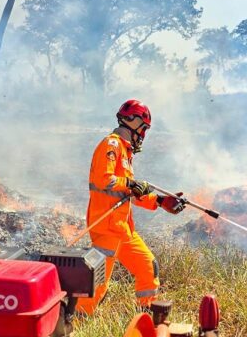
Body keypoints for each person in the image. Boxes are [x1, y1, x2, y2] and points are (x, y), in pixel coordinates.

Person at [75, 99, 186, 314]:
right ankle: (74, 325)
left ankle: (146, 318)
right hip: (106, 227)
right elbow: (104, 180)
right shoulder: (112, 144)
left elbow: (129, 194)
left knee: (147, 266)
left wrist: (161, 202)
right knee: (97, 284)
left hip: (123, 228)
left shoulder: (126, 153)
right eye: (143, 128)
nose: (144, 134)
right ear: (132, 122)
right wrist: (131, 183)